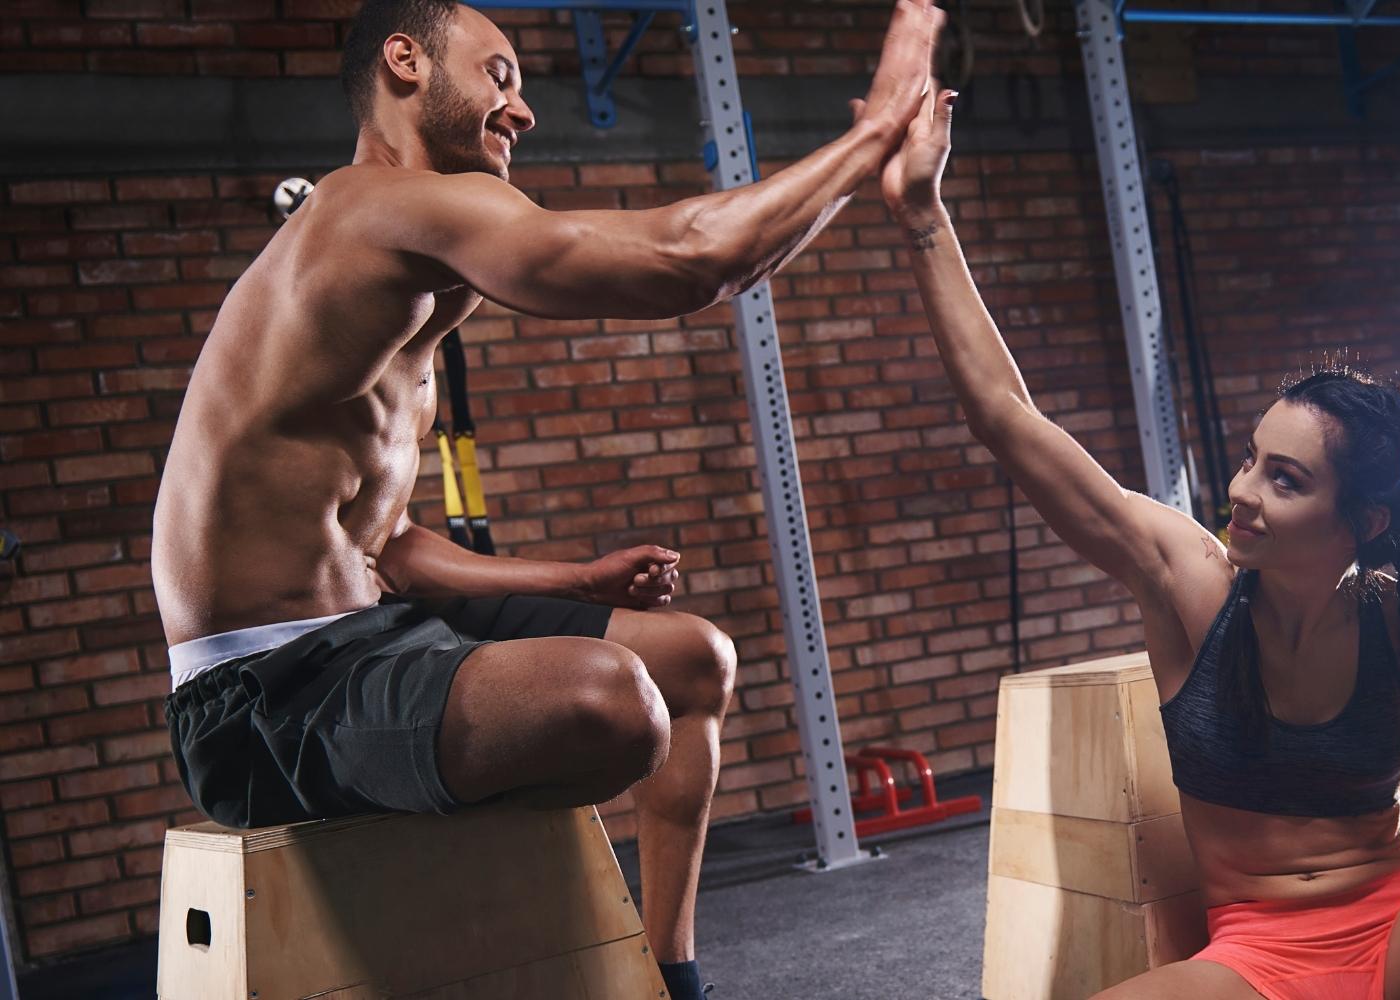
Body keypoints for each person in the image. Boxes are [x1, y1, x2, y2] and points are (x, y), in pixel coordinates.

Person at [150, 2, 943, 996]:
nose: (521, 109)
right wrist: (875, 133)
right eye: (500, 75)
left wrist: (573, 578)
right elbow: (690, 259)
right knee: (613, 703)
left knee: (693, 659)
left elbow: (385, 542)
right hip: (261, 697)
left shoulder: (415, 281)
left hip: (367, 627)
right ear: (406, 61)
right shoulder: (368, 209)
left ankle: (669, 977)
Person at [876, 86, 1400, 1000]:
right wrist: (923, 214)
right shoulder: (1189, 579)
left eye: (1287, 479)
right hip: (1258, 961)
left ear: (1367, 522)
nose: (1242, 492)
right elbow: (1007, 418)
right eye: (1250, 459)